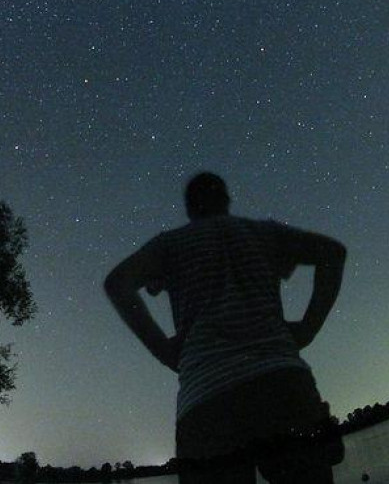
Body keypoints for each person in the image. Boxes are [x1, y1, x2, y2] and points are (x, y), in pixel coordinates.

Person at [103, 172, 346, 483]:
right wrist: (308, 328)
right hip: (283, 385)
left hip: (207, 399)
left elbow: (117, 284)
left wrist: (164, 351)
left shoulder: (171, 245)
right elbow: (333, 254)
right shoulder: (263, 233)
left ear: (189, 208)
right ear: (227, 200)